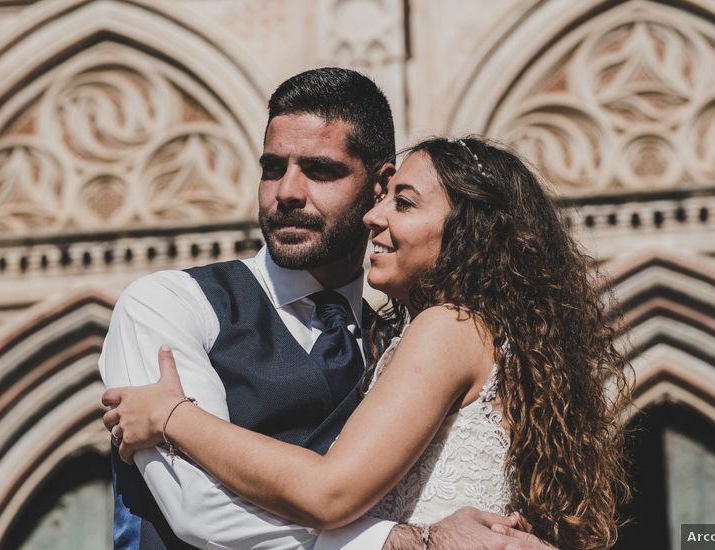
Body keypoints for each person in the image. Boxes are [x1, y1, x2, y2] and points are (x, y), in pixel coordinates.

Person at [104, 136, 632, 549]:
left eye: (402, 203)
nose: (373, 217)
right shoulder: (493, 337)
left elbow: (327, 493)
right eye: (383, 200)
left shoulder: (447, 327)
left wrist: (172, 416)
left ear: (471, 232)